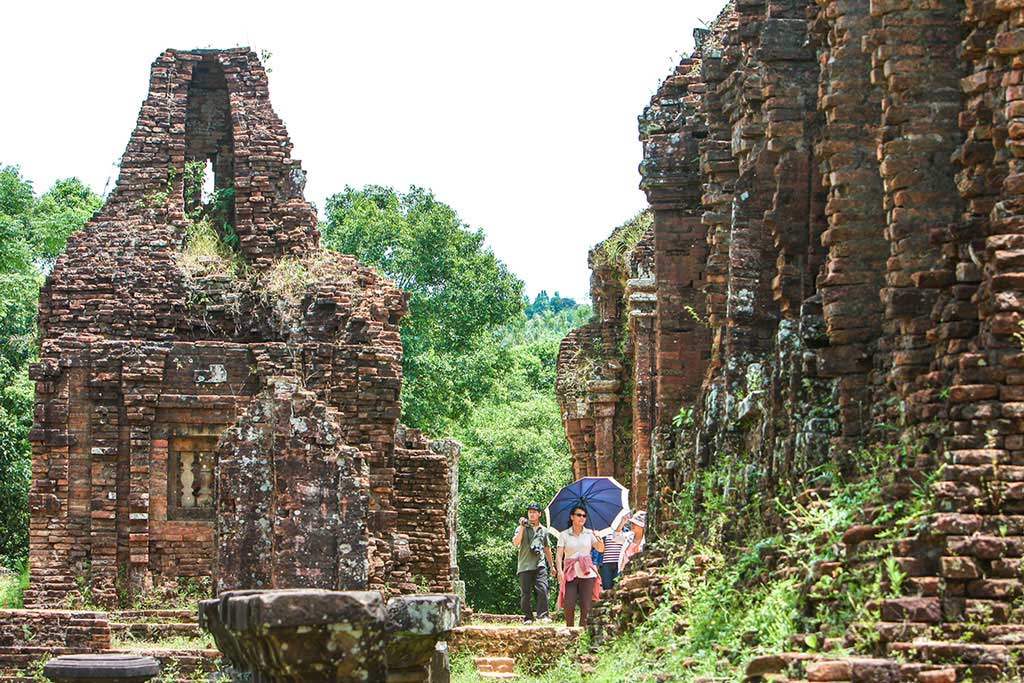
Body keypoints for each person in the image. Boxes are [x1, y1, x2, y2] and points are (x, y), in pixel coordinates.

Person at [556, 504, 604, 628]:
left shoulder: (589, 533)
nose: (582, 518)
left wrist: (599, 539)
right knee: (569, 604)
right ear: (572, 517)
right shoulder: (564, 535)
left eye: (584, 516)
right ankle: (570, 629)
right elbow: (559, 555)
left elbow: (600, 549)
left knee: (586, 606)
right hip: (570, 572)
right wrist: (560, 571)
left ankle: (583, 631)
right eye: (579, 515)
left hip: (587, 572)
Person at [511, 502, 554, 624]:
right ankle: (528, 617)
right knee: (525, 593)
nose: (532, 514)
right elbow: (516, 542)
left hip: (540, 564)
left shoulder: (543, 530)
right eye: (530, 512)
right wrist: (523, 527)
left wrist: (552, 566)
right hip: (524, 565)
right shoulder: (521, 528)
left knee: (543, 589)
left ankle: (543, 615)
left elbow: (547, 548)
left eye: (534, 512)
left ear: (539, 514)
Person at [599, 514, 630, 590]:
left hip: (620, 563)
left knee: (618, 587)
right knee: (607, 587)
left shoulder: (626, 531)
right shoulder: (605, 532)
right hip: (606, 563)